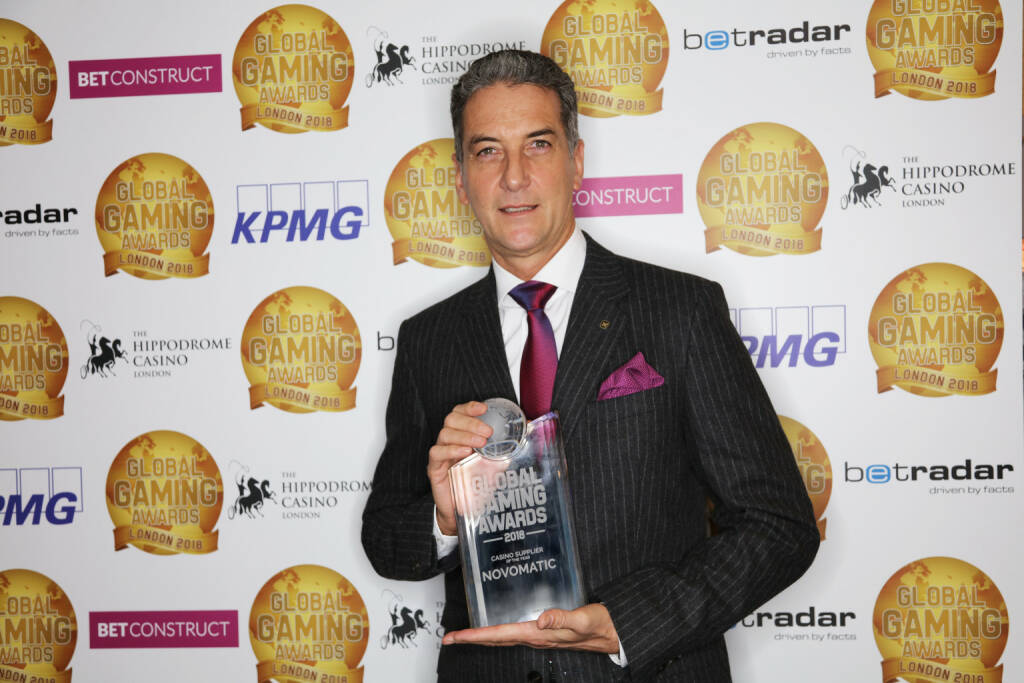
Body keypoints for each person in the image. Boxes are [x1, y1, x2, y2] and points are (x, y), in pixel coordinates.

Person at [362, 49, 819, 682]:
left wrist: (630, 622)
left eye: (538, 145)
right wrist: (443, 520)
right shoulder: (427, 339)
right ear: (461, 178)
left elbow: (779, 525)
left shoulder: (679, 310)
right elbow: (387, 540)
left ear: (576, 161)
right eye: (488, 151)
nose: (514, 177)